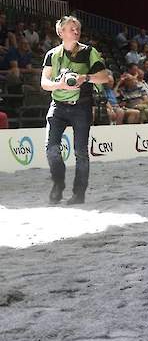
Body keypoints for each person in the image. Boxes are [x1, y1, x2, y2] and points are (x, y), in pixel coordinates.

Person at [38, 16, 111, 205]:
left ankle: (79, 194)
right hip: (57, 106)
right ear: (60, 32)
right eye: (71, 28)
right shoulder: (52, 54)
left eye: (77, 28)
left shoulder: (89, 52)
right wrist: (58, 84)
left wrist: (85, 78)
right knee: (51, 149)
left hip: (82, 106)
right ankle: (58, 184)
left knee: (80, 152)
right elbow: (44, 83)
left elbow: (104, 78)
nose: (76, 31)